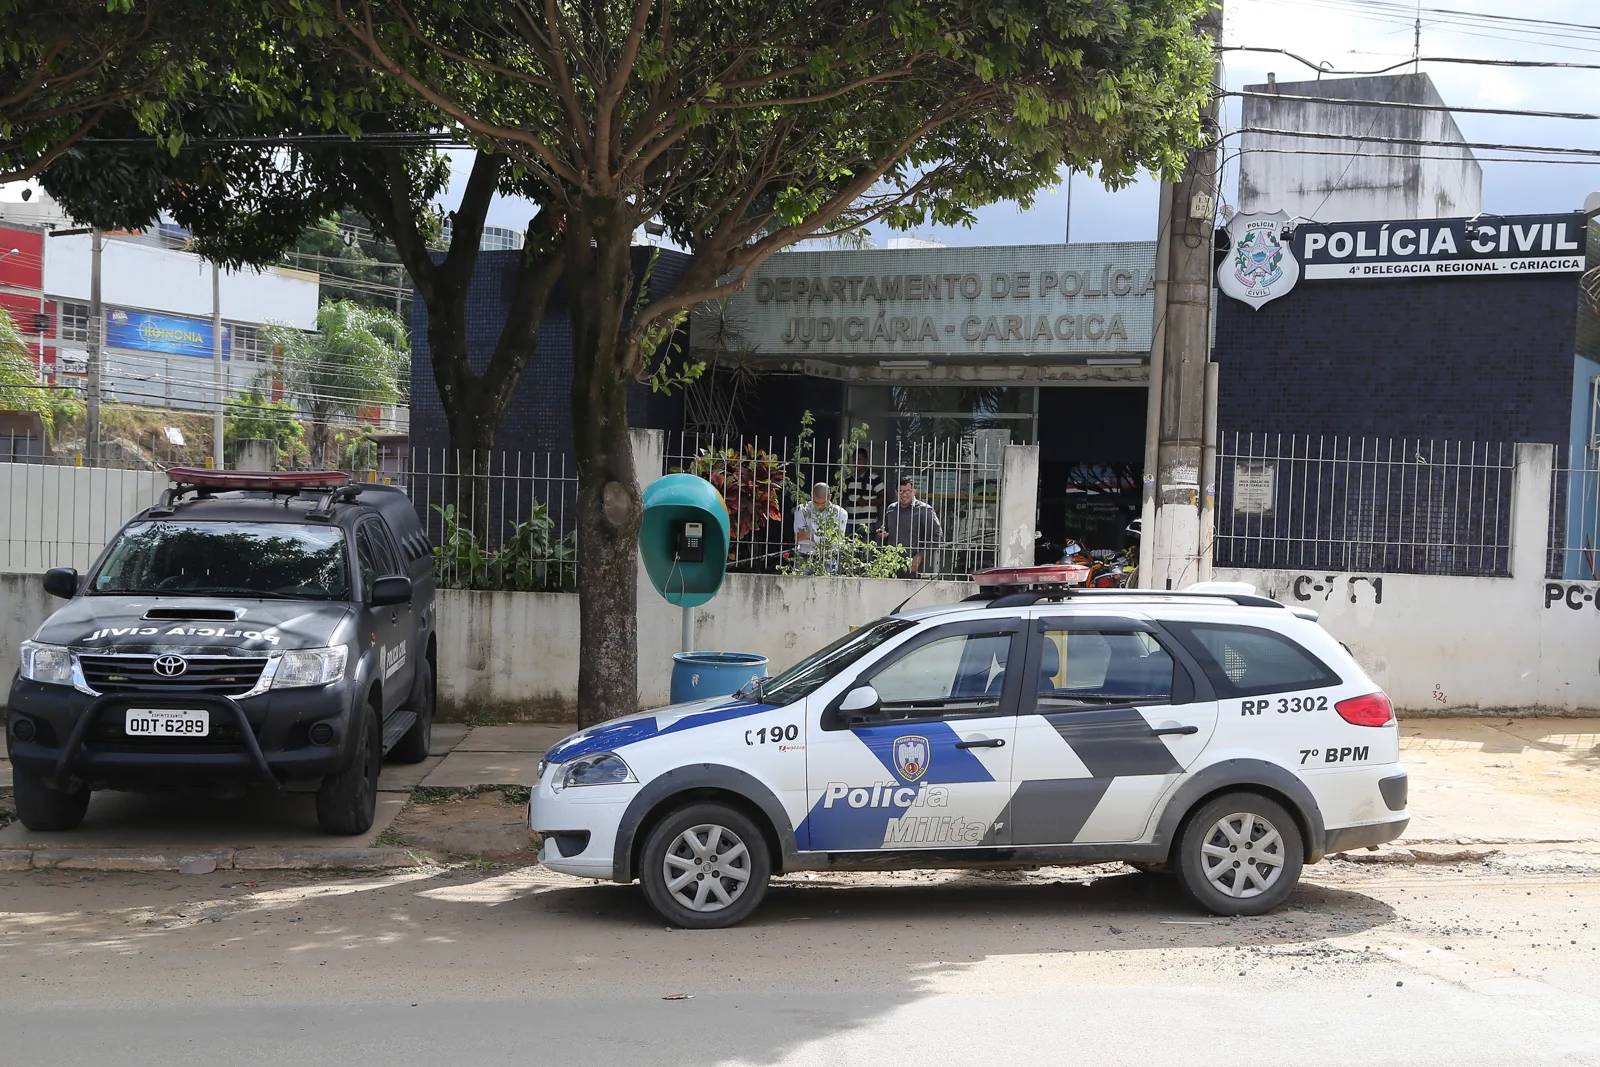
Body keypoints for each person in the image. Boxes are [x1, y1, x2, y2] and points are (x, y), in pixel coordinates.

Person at [877, 476, 944, 576]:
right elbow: (886, 528)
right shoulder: (891, 509)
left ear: (914, 492)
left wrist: (920, 556)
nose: (904, 495)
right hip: (892, 565)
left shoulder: (924, 510)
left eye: (907, 491)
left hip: (916, 566)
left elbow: (938, 537)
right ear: (896, 492)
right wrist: (883, 533)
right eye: (900, 491)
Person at [794, 482, 848, 573]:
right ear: (811, 496)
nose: (819, 506)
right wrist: (823, 538)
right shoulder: (802, 509)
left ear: (830, 497)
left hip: (828, 557)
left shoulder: (840, 513)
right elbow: (798, 537)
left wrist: (809, 536)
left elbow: (836, 541)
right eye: (816, 503)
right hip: (804, 555)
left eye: (823, 503)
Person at [843, 446, 887, 538]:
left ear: (866, 460)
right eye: (854, 459)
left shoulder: (874, 479)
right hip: (849, 521)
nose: (856, 462)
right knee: (849, 551)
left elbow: (885, 498)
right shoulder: (848, 479)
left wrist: (867, 502)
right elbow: (844, 497)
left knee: (866, 551)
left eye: (859, 459)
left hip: (867, 522)